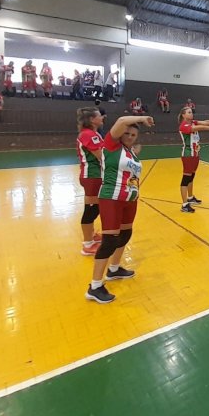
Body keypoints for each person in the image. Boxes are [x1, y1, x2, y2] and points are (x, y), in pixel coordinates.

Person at [85, 114, 154, 304]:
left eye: (133, 135)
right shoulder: (111, 145)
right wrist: (142, 118)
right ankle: (95, 286)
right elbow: (122, 121)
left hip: (130, 199)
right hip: (112, 197)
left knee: (125, 235)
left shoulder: (131, 153)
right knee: (109, 241)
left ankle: (114, 269)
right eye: (127, 133)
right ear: (120, 134)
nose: (130, 137)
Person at [178, 107, 209, 213]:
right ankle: (184, 205)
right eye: (189, 112)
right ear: (183, 115)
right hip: (188, 155)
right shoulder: (184, 126)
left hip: (195, 154)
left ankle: (190, 197)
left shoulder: (193, 122)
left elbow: (205, 122)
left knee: (191, 176)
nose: (191, 113)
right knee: (186, 179)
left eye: (191, 112)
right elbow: (202, 127)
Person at [76, 107, 105, 255]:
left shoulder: (94, 134)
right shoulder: (88, 135)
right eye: (99, 116)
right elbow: (101, 156)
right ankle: (87, 244)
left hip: (95, 175)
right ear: (92, 119)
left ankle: (91, 236)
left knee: (94, 207)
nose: (102, 117)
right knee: (92, 209)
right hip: (92, 176)